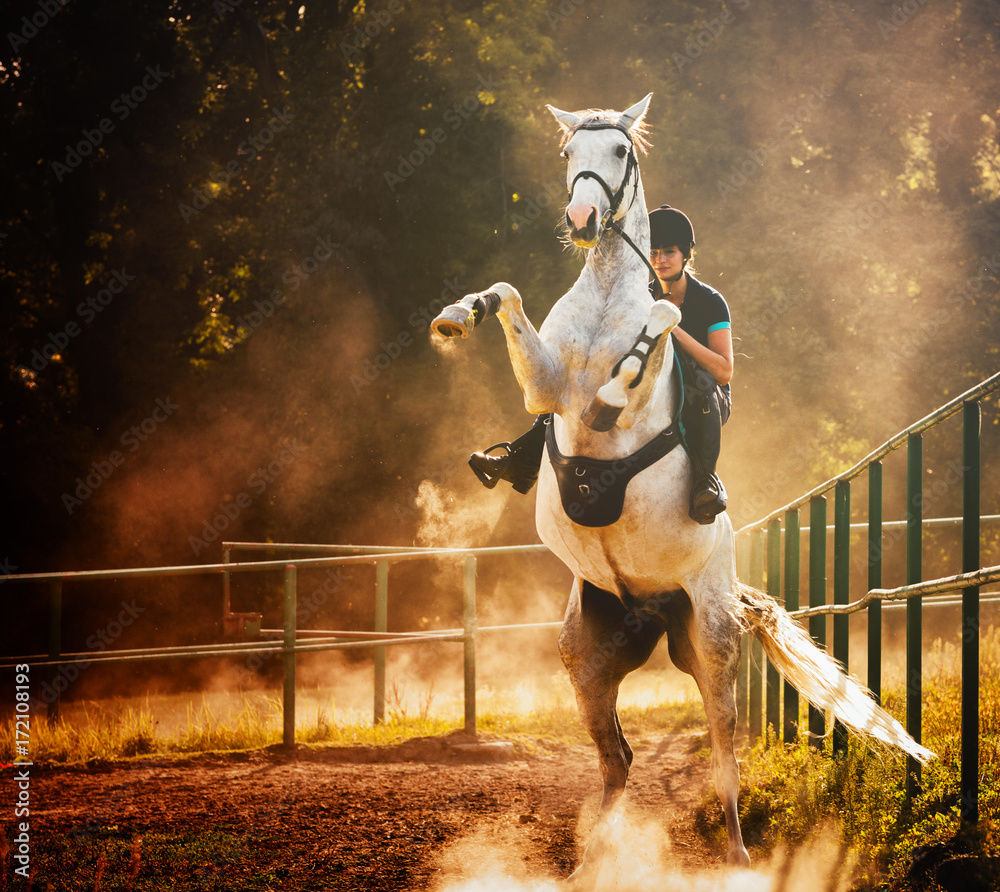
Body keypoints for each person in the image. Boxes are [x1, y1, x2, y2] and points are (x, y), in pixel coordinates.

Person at [468, 205, 733, 525]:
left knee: (703, 386)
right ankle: (523, 460)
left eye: (669, 252)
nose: (660, 260)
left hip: (702, 397)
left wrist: (670, 328)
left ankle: (706, 481)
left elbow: (723, 371)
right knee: (578, 378)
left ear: (686, 254)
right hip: (645, 385)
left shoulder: (710, 301)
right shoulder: (638, 296)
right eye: (654, 252)